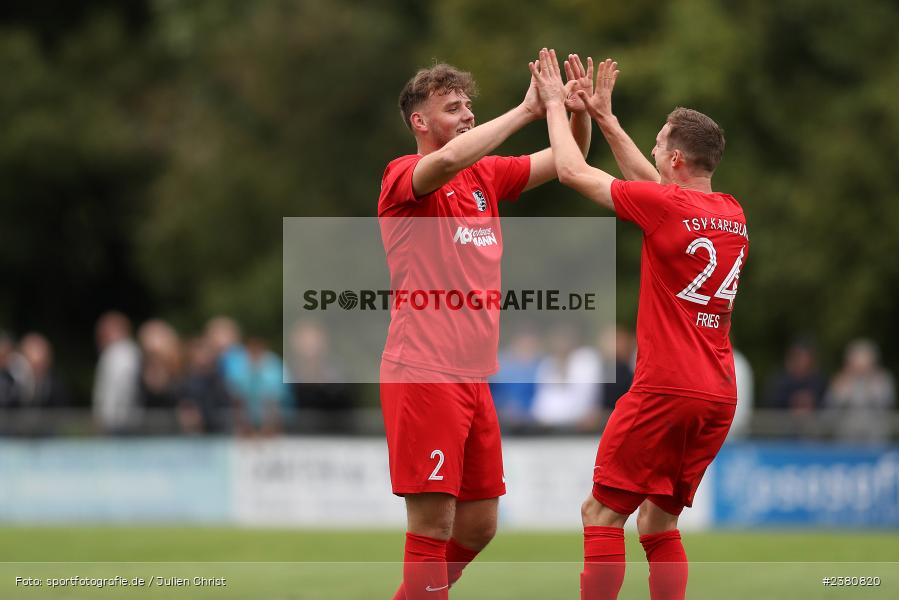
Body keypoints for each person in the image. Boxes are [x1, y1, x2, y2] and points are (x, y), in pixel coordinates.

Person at [530, 49, 749, 600]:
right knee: (657, 523)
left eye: (658, 144)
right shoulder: (731, 211)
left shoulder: (668, 209)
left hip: (666, 387)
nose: (651, 151)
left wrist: (557, 106)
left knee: (600, 513)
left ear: (675, 158)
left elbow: (570, 170)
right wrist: (606, 118)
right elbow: (658, 188)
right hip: (718, 394)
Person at [378, 59, 593, 599]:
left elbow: (571, 158)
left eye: (467, 105)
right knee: (432, 528)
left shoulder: (485, 177)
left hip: (473, 377)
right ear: (419, 123)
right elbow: (447, 159)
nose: (467, 115)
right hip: (422, 370)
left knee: (479, 527)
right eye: (452, 109)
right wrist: (528, 108)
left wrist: (573, 113)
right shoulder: (403, 175)